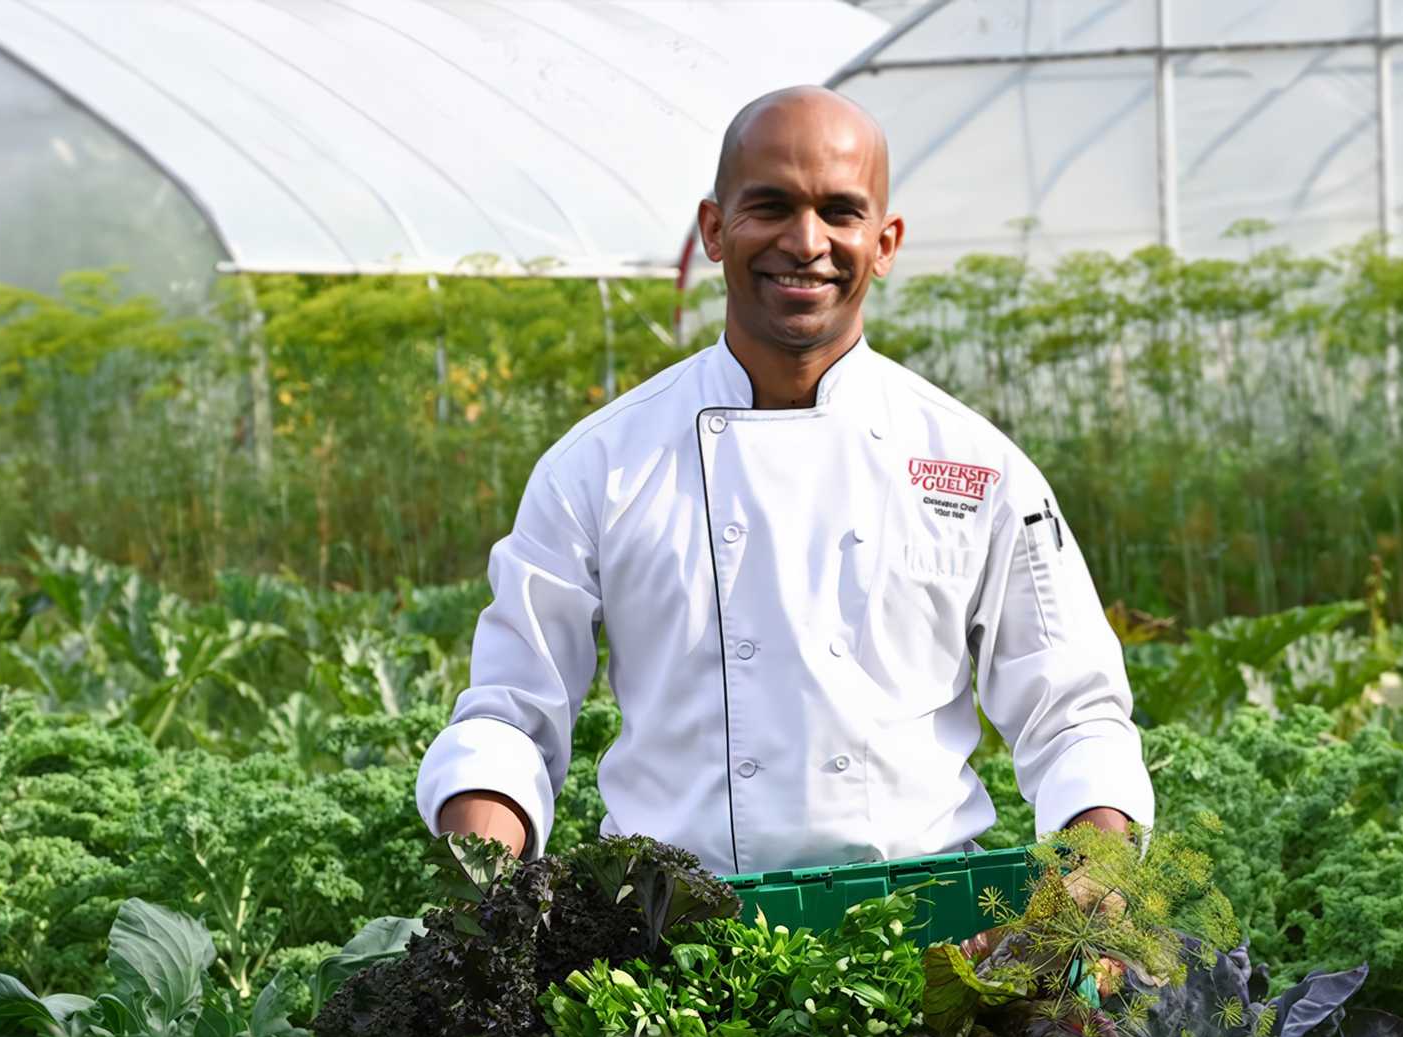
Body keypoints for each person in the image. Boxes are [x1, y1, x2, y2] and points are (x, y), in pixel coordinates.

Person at [413, 86, 1151, 876]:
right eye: (770, 207)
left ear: (886, 240)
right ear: (713, 232)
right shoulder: (601, 466)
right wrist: (490, 878)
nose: (807, 242)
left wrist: (1093, 884)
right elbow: (512, 715)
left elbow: (1073, 715)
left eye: (841, 212)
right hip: (668, 944)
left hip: (934, 943)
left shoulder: (978, 469)